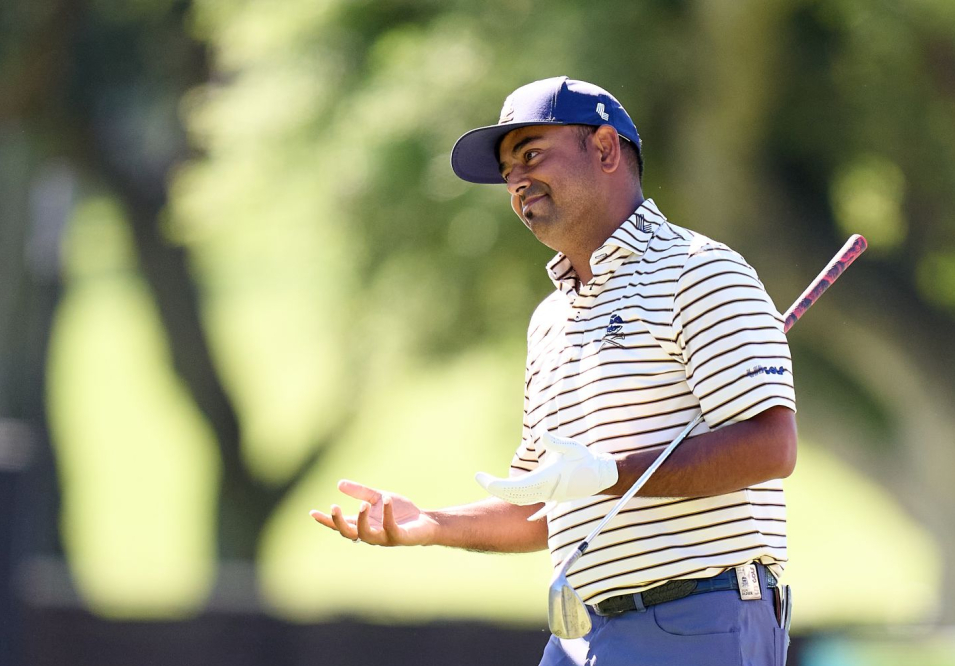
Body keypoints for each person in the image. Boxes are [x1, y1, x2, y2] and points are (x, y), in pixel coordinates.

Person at [311, 76, 797, 666]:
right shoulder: (550, 321)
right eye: (507, 170)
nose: (515, 180)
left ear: (604, 149)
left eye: (531, 153)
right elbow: (542, 503)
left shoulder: (700, 272)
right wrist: (429, 523)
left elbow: (771, 447)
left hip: (700, 615)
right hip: (581, 633)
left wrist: (610, 472)